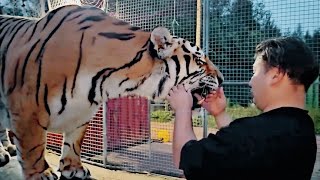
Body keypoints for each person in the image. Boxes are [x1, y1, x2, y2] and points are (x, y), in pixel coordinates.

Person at [166, 37, 319, 180]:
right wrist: (220, 114)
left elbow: (183, 158)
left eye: (255, 72)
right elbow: (245, 152)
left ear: (275, 74)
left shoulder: (252, 134)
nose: (250, 82)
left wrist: (182, 109)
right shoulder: (305, 128)